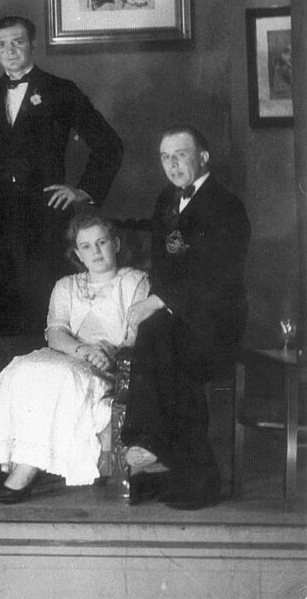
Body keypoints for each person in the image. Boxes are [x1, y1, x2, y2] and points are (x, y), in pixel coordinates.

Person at [0, 214, 148, 504]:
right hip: (66, 355)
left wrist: (106, 352)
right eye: (86, 246)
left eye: (102, 242)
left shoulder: (135, 281)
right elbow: (56, 333)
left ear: (116, 244)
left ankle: (25, 470)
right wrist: (82, 350)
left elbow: (135, 335)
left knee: (60, 379)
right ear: (78, 254)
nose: (95, 251)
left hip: (104, 365)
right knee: (17, 370)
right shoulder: (66, 285)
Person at [122, 126, 249, 510]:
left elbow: (217, 275)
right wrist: (159, 304)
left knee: (168, 349)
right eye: (165, 157)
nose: (172, 164)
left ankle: (158, 453)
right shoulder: (166, 198)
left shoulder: (226, 205)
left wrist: (158, 301)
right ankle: (165, 461)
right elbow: (162, 265)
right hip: (177, 318)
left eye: (180, 155)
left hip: (217, 322)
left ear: (203, 157)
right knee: (157, 336)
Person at [0, 16, 124, 333]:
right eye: (2, 45)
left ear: (32, 45)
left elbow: (109, 144)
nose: (10, 50)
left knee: (43, 306)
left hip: (44, 217)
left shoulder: (60, 90)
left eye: (17, 42)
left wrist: (83, 190)